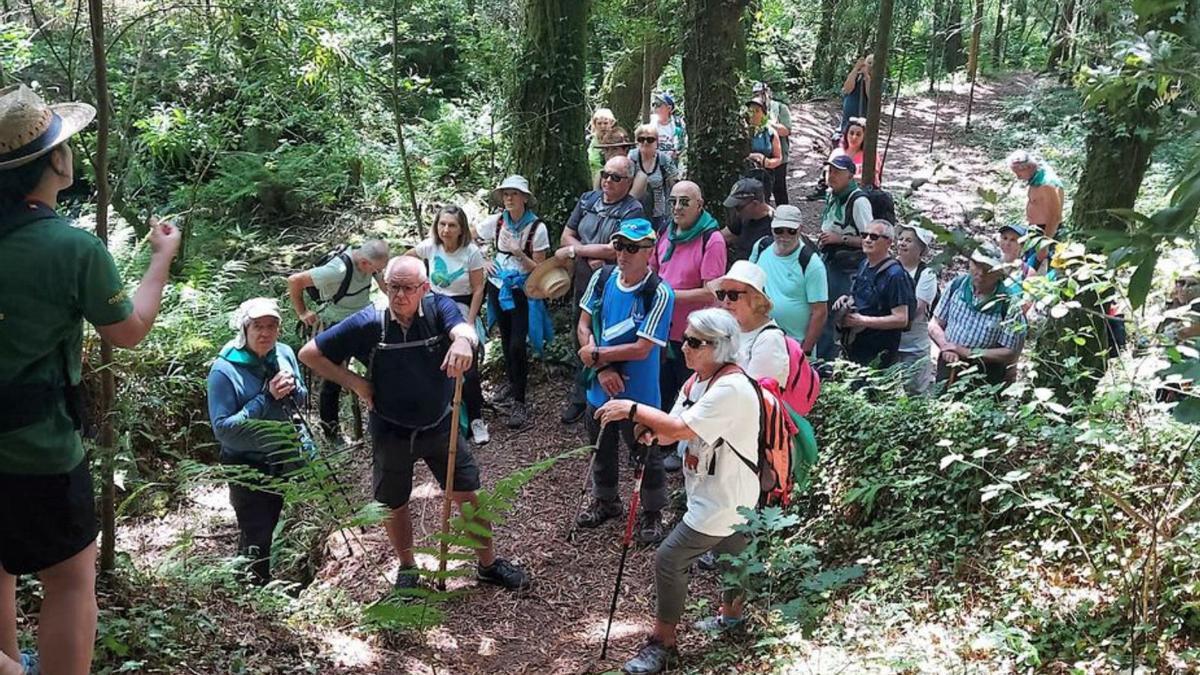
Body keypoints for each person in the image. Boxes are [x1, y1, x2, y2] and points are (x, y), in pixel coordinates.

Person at [0, 83, 181, 675]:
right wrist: (160, 260)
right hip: (40, 446)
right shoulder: (71, 247)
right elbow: (127, 332)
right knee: (70, 578)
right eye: (65, 146)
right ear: (54, 161)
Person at [298, 257, 530, 592]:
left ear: (424, 288)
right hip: (390, 428)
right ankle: (407, 569)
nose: (400, 295)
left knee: (469, 494)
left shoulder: (439, 309)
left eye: (408, 288)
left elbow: (462, 327)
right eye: (394, 287)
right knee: (395, 502)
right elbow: (310, 353)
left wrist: (464, 342)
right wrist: (356, 383)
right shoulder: (368, 322)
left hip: (439, 424)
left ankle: (488, 564)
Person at [594, 309, 760, 675]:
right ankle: (734, 619)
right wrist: (648, 431)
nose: (683, 347)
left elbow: (679, 428)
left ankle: (663, 643)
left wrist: (633, 410)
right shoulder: (696, 382)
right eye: (685, 338)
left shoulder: (731, 388)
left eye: (694, 342)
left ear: (720, 347)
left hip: (724, 500)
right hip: (718, 492)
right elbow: (670, 432)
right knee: (733, 555)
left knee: (669, 558)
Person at [575, 219, 675, 545]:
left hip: (639, 393)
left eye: (632, 248)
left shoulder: (658, 293)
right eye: (619, 246)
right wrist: (601, 367)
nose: (623, 254)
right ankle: (606, 500)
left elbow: (643, 347)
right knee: (600, 445)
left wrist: (596, 356)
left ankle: (652, 511)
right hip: (599, 387)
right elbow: (583, 325)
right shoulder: (601, 279)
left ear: (650, 251)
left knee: (645, 449)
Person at [206, 298, 308, 585]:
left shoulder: (285, 353)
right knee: (257, 529)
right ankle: (256, 589)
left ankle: (247, 579)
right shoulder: (224, 371)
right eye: (258, 327)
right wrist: (265, 397)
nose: (265, 333)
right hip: (245, 463)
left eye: (272, 326)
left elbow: (301, 400)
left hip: (279, 459)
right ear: (244, 329)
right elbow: (224, 429)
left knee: (267, 525)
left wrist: (293, 389)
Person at [558, 155, 645, 423]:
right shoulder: (588, 199)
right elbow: (566, 233)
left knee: (607, 335)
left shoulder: (633, 210)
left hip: (613, 281)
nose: (608, 180)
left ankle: (613, 397)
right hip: (584, 279)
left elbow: (614, 247)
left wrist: (575, 250)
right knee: (580, 334)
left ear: (628, 182)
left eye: (616, 177)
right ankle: (581, 395)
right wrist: (588, 253)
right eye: (606, 174)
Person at [649, 181, 726, 471]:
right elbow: (655, 270)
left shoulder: (712, 239)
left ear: (700, 205)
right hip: (663, 326)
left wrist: (668, 295)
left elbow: (712, 291)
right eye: (674, 201)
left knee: (691, 390)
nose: (678, 207)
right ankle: (662, 440)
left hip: (695, 332)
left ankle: (683, 448)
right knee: (665, 384)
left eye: (685, 202)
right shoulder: (666, 232)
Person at [287, 240, 389, 440]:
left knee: (382, 367)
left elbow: (386, 287)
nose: (379, 273)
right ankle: (332, 435)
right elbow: (295, 280)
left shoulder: (370, 263)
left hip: (363, 323)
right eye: (377, 269)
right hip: (337, 326)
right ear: (365, 264)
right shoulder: (337, 270)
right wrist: (302, 312)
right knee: (333, 379)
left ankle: (382, 423)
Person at [405, 205, 489, 444]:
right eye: (442, 224)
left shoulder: (471, 252)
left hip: (460, 307)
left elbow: (478, 288)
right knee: (433, 363)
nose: (446, 229)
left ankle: (476, 419)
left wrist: (470, 322)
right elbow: (406, 258)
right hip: (433, 305)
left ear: (461, 228)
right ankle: (441, 419)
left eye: (452, 225)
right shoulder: (431, 246)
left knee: (468, 366)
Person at [476, 176, 551, 429]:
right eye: (506, 194)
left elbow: (540, 269)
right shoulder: (496, 222)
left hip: (522, 291)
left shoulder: (537, 228)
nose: (509, 198)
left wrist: (519, 252)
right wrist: (483, 260)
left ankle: (520, 400)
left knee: (518, 344)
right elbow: (468, 236)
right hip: (498, 288)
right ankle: (512, 383)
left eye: (514, 194)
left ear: (525, 198)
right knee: (506, 340)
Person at [928, 244, 1027, 387]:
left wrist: (966, 352)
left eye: (988, 269)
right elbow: (935, 324)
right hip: (948, 363)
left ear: (999, 273)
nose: (980, 273)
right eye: (976, 265)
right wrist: (947, 347)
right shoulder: (957, 286)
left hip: (985, 373)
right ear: (970, 263)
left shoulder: (1008, 304)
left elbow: (1009, 352)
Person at [832, 219, 914, 368]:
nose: (868, 240)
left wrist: (862, 321)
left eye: (874, 237)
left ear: (889, 242)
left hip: (878, 355)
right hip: (854, 347)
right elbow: (859, 295)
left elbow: (902, 318)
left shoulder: (895, 275)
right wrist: (846, 300)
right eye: (864, 235)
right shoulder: (865, 264)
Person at [815, 155, 875, 359]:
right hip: (829, 259)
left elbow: (871, 239)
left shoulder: (859, 202)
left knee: (834, 314)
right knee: (821, 307)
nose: (831, 175)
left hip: (846, 268)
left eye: (837, 172)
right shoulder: (833, 195)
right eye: (829, 171)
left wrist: (840, 238)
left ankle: (828, 363)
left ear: (850, 175)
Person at [749, 205, 829, 353]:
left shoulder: (811, 263)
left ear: (800, 229)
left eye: (791, 231)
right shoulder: (761, 247)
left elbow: (820, 311)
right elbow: (746, 284)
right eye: (779, 230)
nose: (784, 236)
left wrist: (805, 351)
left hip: (794, 346)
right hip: (758, 340)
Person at [712, 262, 790, 384]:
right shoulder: (729, 330)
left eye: (733, 295)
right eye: (721, 294)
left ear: (756, 299)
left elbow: (757, 395)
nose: (726, 301)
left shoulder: (770, 340)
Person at [894, 224, 938, 393]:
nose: (902, 243)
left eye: (909, 240)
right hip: (889, 341)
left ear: (921, 248)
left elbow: (916, 310)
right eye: (901, 239)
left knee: (916, 392)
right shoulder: (889, 266)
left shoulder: (927, 275)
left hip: (914, 346)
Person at [1007, 150, 1065, 262]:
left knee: (1039, 272)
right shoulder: (1037, 178)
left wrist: (1045, 244)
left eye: (1018, 173)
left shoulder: (1047, 183)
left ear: (1027, 167)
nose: (1018, 177)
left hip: (1046, 233)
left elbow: (1055, 217)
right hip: (1036, 230)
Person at [629, 122, 680, 232]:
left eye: (650, 139)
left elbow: (674, 183)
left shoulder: (664, 159)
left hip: (659, 211)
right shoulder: (632, 157)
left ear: (657, 142)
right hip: (636, 208)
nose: (645, 142)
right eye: (641, 139)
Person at [752, 82, 793, 206]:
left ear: (768, 93)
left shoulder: (780, 108)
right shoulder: (753, 110)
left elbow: (786, 130)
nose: (760, 95)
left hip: (779, 156)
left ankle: (784, 217)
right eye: (756, 93)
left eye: (762, 93)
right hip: (759, 157)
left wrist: (767, 123)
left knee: (779, 188)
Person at [721, 177, 773, 264]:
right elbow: (723, 237)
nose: (737, 212)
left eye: (739, 207)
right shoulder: (743, 218)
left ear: (755, 203)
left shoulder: (775, 227)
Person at [745, 96, 783, 202]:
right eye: (751, 111)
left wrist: (765, 161)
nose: (753, 114)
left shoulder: (770, 133)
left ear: (763, 114)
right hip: (744, 175)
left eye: (757, 111)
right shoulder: (742, 132)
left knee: (762, 203)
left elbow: (779, 158)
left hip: (764, 176)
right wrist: (750, 157)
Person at [840, 54, 873, 135]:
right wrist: (855, 69)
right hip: (848, 121)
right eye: (869, 63)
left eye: (873, 64)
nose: (870, 66)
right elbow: (847, 89)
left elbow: (871, 96)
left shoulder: (876, 81)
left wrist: (867, 77)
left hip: (864, 122)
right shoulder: (856, 76)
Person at [651, 92, 686, 164]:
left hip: (671, 164)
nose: (655, 107)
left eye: (658, 105)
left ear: (669, 108)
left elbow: (682, 143)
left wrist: (676, 152)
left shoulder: (677, 123)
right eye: (653, 104)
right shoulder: (651, 122)